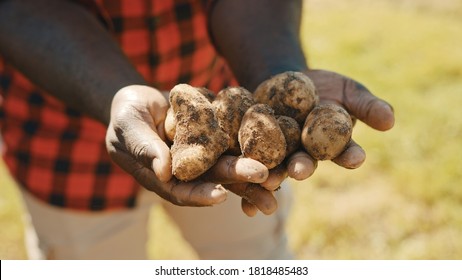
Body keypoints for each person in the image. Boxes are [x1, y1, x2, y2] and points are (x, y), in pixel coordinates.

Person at [0, 0, 394, 260]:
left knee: (254, 256)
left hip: (222, 95)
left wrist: (278, 69)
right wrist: (114, 94)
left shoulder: (236, 117)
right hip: (63, 143)